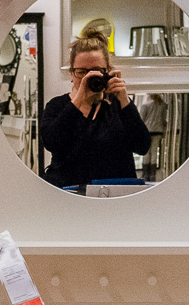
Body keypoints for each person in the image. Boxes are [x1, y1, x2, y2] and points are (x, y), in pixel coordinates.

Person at [39, 29, 152, 189]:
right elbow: (51, 142)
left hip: (113, 198)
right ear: (71, 73)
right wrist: (79, 99)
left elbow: (142, 146)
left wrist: (124, 99)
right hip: (67, 199)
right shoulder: (57, 106)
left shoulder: (119, 105)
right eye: (82, 72)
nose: (89, 77)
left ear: (108, 71)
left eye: (96, 71)